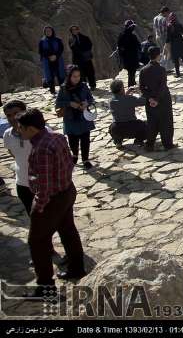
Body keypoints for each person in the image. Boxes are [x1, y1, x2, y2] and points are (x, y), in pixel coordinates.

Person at [17, 108, 87, 294]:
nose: (19, 131)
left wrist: (38, 207)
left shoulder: (41, 149)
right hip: (67, 190)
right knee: (68, 230)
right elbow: (70, 161)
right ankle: (77, 268)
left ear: (31, 129)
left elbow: (45, 186)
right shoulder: (57, 137)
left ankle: (45, 287)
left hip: (52, 199)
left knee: (37, 242)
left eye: (21, 128)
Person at [55, 66, 95, 170]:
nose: (76, 78)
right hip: (70, 118)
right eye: (74, 76)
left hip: (83, 117)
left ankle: (85, 159)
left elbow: (91, 98)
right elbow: (58, 103)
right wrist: (70, 103)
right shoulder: (63, 88)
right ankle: (75, 155)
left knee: (85, 139)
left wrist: (86, 103)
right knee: (72, 140)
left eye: (78, 76)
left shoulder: (83, 86)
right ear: (69, 76)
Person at [139, 46, 175, 152]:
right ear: (158, 55)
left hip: (150, 101)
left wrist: (150, 98)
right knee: (166, 122)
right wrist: (157, 99)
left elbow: (141, 87)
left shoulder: (143, 70)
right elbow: (162, 87)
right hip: (163, 99)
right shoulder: (161, 69)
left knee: (152, 122)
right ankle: (167, 144)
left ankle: (149, 144)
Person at [108, 80, 147, 148]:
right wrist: (140, 92)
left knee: (111, 128)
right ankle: (139, 140)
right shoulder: (129, 99)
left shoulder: (111, 101)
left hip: (117, 128)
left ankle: (118, 141)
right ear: (121, 89)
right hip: (131, 127)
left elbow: (121, 100)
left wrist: (126, 93)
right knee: (146, 125)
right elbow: (143, 101)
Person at [38, 26, 65, 95]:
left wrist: (55, 55)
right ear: (44, 32)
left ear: (52, 31)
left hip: (58, 59)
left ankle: (63, 90)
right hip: (47, 61)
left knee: (60, 74)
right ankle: (52, 90)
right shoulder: (42, 41)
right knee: (49, 75)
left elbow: (61, 49)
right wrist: (49, 56)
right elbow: (40, 51)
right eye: (46, 31)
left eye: (49, 31)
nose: (48, 32)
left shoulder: (58, 40)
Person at [68, 26, 96, 90]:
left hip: (86, 58)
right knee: (80, 73)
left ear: (78, 30)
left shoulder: (85, 37)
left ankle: (92, 85)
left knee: (90, 72)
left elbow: (89, 45)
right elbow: (72, 48)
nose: (74, 31)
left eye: (76, 29)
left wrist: (83, 51)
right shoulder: (71, 39)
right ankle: (83, 86)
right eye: (73, 30)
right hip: (77, 59)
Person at [117, 20, 141, 87]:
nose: (133, 28)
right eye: (132, 26)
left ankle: (132, 83)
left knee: (131, 72)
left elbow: (120, 47)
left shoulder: (122, 35)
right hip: (131, 57)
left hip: (127, 57)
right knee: (132, 72)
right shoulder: (131, 36)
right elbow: (137, 45)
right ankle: (131, 84)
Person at [166, 13, 183, 77]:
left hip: (174, 44)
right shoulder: (179, 25)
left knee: (176, 60)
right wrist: (181, 36)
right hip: (181, 43)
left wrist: (167, 44)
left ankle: (178, 74)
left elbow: (168, 38)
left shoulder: (169, 26)